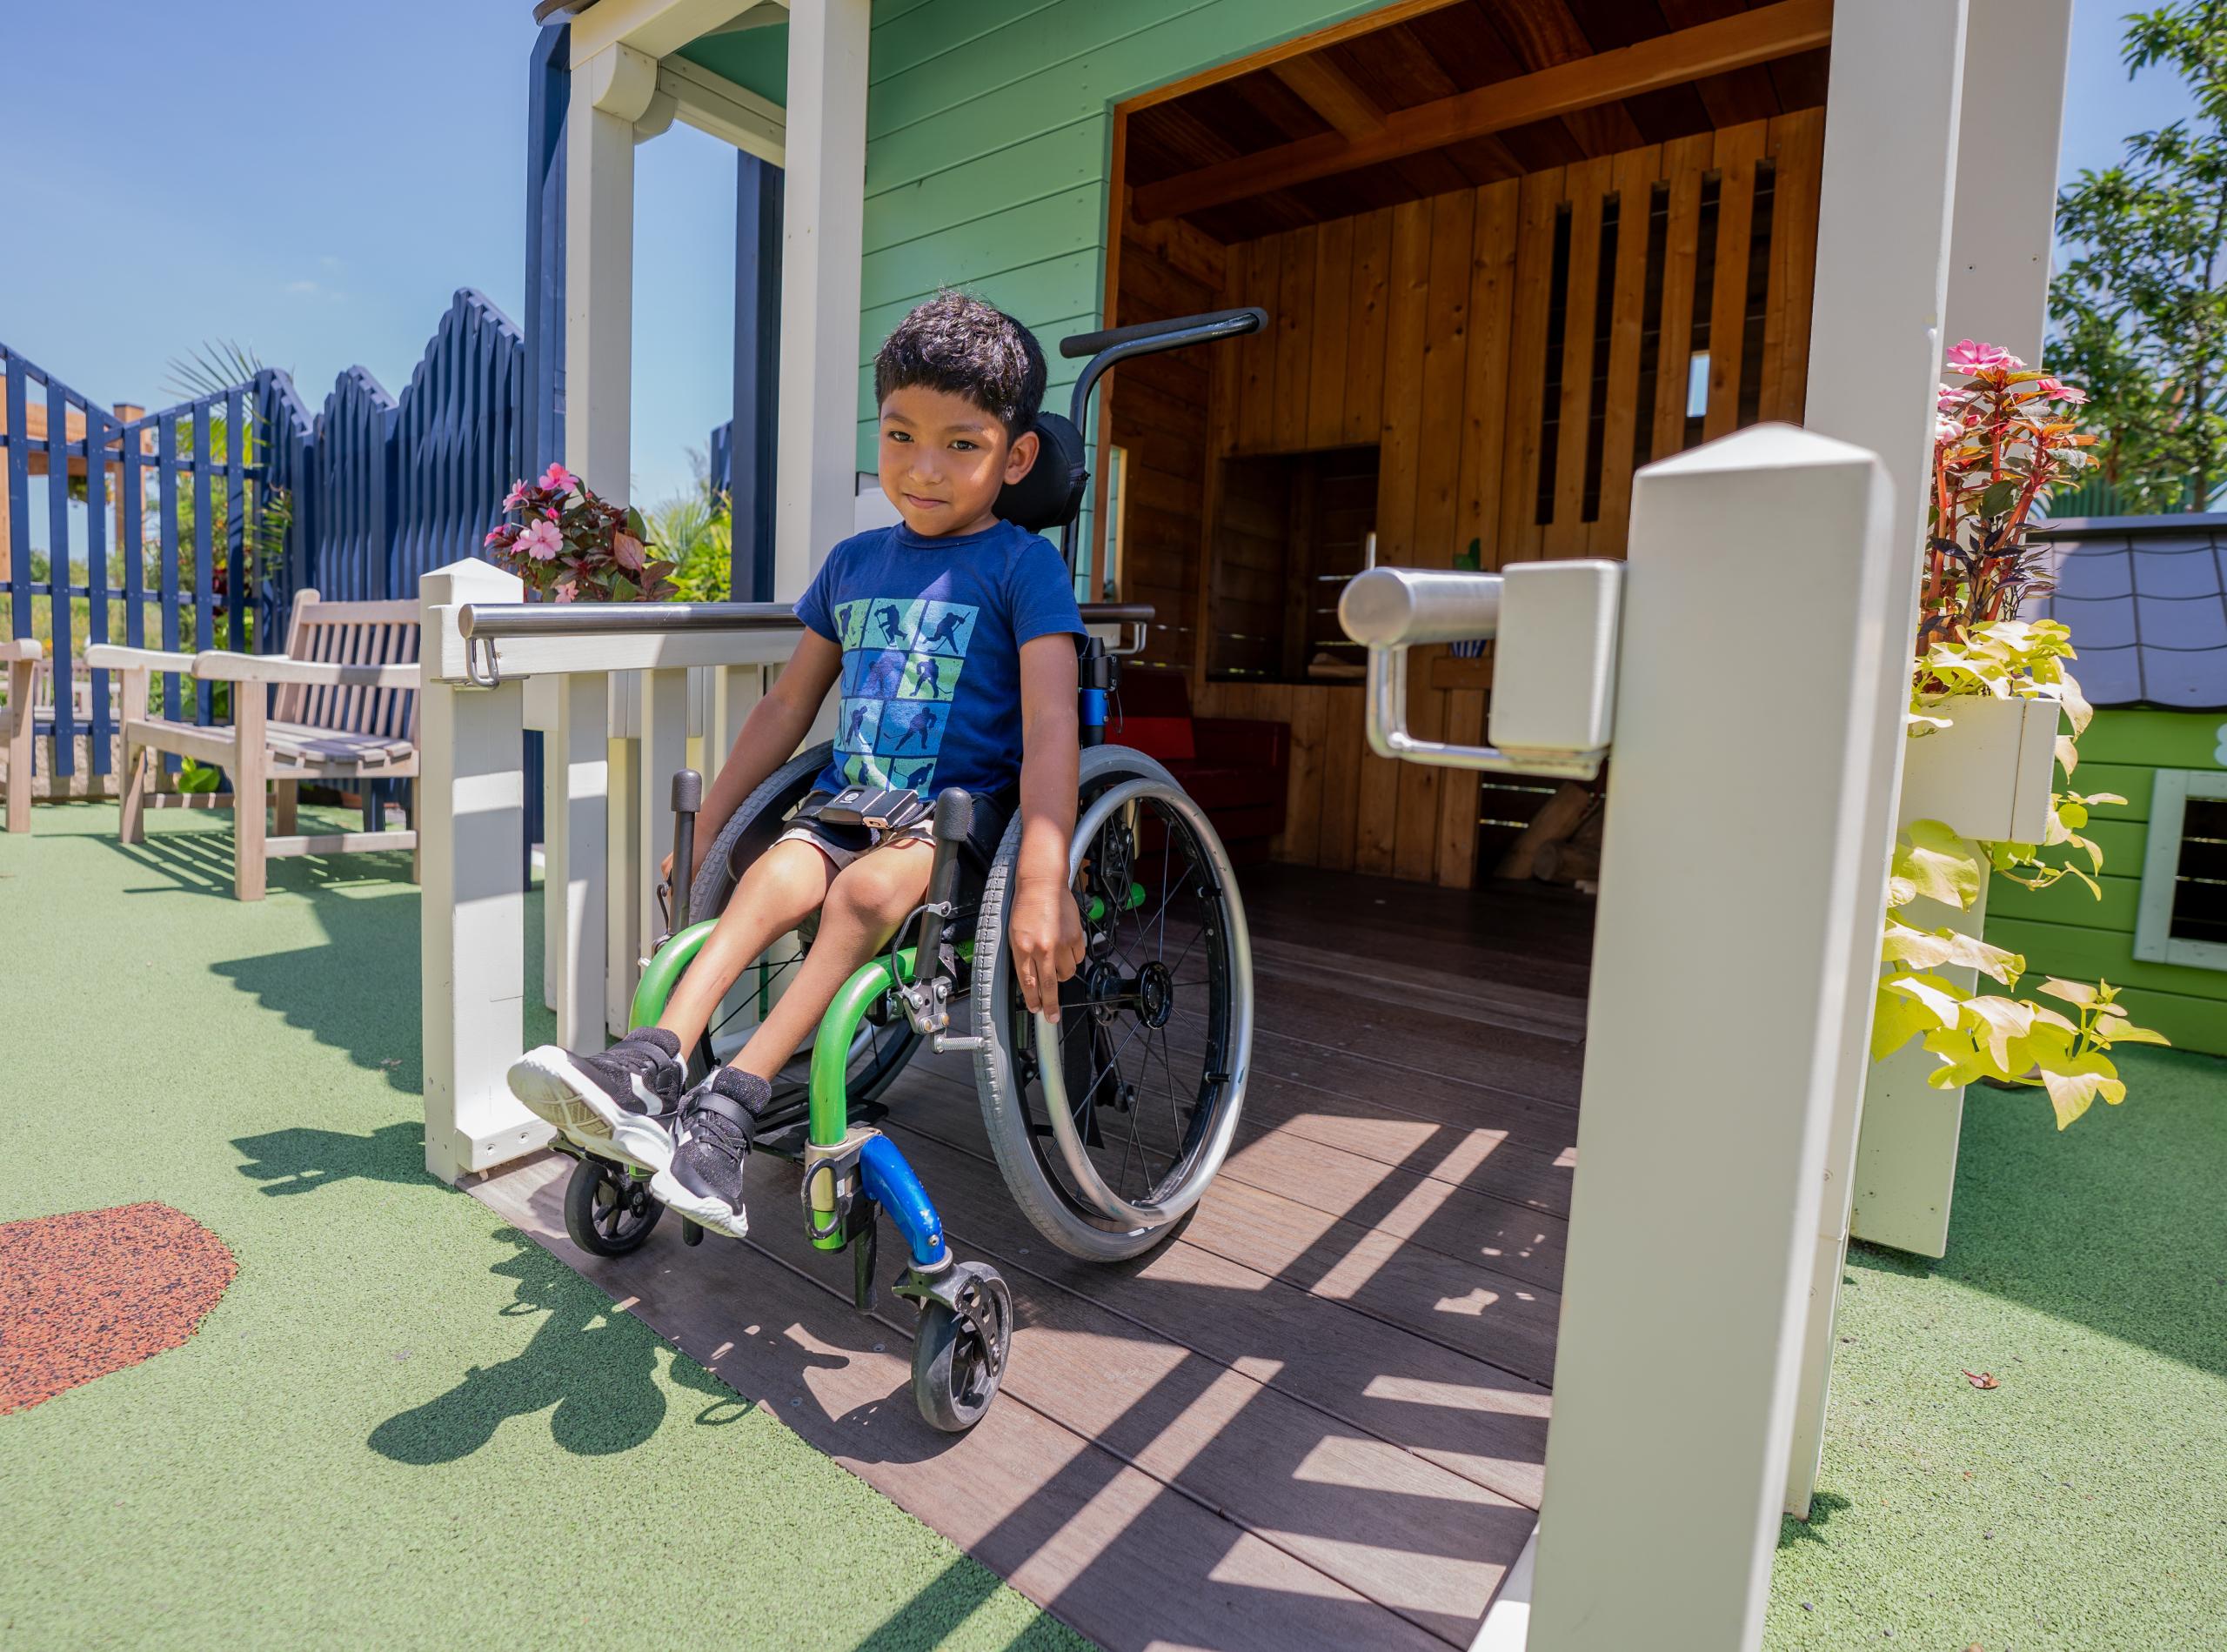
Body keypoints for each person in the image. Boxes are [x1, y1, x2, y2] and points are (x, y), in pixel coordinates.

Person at [505, 291, 1089, 1240]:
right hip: (845, 807)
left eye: (962, 445)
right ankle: (651, 1061)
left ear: (1015, 458)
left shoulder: (1023, 569)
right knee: (772, 869)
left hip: (953, 822)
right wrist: (708, 834)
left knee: (860, 900)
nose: (924, 469)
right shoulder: (853, 563)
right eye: (901, 436)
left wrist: (1041, 881)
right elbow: (786, 705)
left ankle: (731, 1107)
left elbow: (1053, 725)